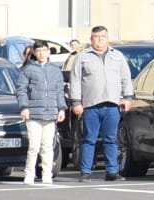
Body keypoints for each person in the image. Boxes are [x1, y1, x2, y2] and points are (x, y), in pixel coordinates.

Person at [68, 25, 133, 182]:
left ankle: (112, 171)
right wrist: (76, 102)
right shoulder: (82, 57)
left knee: (111, 139)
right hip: (91, 105)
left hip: (112, 104)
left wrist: (128, 97)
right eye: (96, 37)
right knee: (89, 139)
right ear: (91, 39)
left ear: (107, 38)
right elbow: (75, 81)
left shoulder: (117, 56)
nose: (99, 40)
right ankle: (85, 171)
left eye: (102, 37)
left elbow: (126, 78)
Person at [17, 42, 66, 186]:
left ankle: (47, 174)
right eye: (38, 50)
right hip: (33, 114)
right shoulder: (28, 70)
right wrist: (24, 107)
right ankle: (29, 174)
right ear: (34, 52)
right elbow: (21, 90)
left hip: (50, 113)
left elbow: (59, 91)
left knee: (48, 146)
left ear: (48, 52)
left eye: (44, 50)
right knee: (34, 146)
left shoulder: (55, 70)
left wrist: (61, 108)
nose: (42, 53)